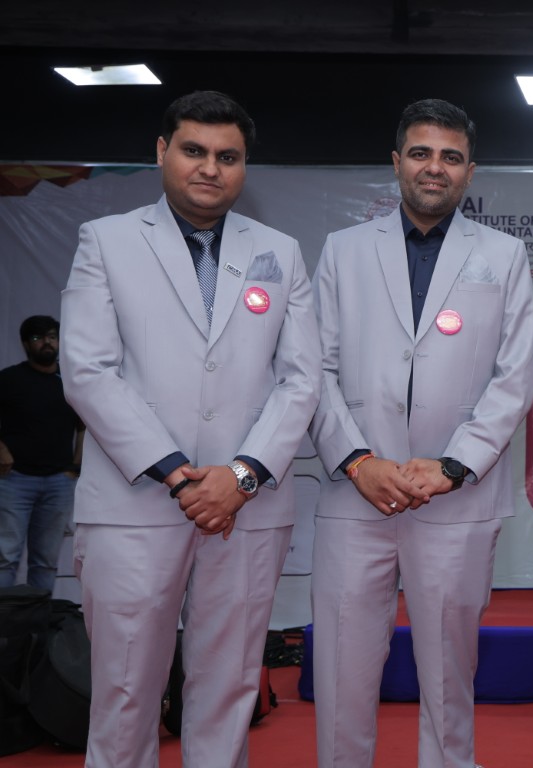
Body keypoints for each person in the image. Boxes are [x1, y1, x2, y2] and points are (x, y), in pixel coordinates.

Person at [60, 90, 321, 768]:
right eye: (195, 151)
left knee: (229, 687)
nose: (210, 168)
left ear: (244, 167)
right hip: (137, 500)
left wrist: (241, 475)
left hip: (245, 506)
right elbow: (87, 371)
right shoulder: (107, 241)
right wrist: (178, 474)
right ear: (162, 152)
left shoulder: (280, 251)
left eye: (228, 157)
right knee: (125, 690)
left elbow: (301, 379)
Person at [308, 98, 533, 768]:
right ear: (396, 162)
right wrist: (358, 459)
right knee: (343, 671)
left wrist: (453, 466)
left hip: (456, 497)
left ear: (470, 171)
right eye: (421, 153)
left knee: (448, 675)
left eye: (451, 157)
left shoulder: (504, 254)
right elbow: (312, 368)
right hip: (357, 492)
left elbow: (515, 376)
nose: (435, 167)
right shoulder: (344, 250)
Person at [0, 315, 84, 590]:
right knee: (5, 557)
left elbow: (83, 426)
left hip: (58, 482)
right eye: (38, 338)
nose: (46, 343)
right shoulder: (9, 379)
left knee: (45, 560)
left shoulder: (70, 381)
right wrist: (2, 450)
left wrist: (75, 466)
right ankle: (5, 617)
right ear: (26, 344)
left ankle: (38, 618)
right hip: (14, 480)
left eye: (52, 336)